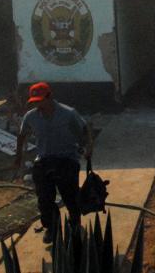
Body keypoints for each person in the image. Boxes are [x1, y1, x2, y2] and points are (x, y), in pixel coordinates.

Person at [14, 82, 93, 244]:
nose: (37, 104)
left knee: (70, 195)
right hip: (44, 159)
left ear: (49, 97)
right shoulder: (31, 116)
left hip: (67, 158)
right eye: (34, 102)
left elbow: (85, 130)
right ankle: (52, 227)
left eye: (40, 100)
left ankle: (75, 223)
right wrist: (18, 157)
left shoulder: (68, 114)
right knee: (44, 198)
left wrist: (88, 148)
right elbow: (22, 135)